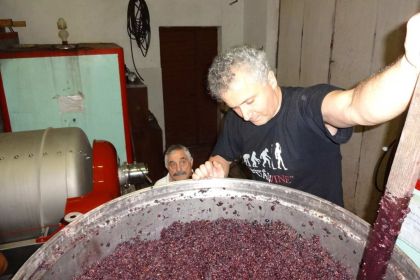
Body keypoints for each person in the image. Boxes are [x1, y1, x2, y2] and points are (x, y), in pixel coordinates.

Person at [192, 13, 420, 206]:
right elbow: (222, 155)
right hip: (266, 222)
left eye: (250, 101)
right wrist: (217, 169)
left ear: (271, 80)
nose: (245, 115)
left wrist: (410, 64)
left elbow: (355, 106)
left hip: (317, 229)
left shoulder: (306, 106)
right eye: (235, 107)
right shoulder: (236, 120)